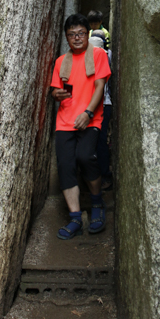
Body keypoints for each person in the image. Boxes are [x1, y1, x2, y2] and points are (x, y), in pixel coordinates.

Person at [51, 13, 111, 240]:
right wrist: (56, 93)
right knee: (66, 166)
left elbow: (99, 86)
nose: (76, 38)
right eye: (71, 34)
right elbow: (55, 90)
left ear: (87, 34)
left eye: (81, 33)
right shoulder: (60, 61)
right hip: (65, 121)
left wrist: (88, 113)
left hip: (90, 119)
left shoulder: (98, 55)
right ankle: (75, 217)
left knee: (86, 157)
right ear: (67, 37)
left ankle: (97, 203)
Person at [89, 30, 113, 191]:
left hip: (101, 106)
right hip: (102, 105)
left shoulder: (101, 61)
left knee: (99, 143)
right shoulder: (106, 57)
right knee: (97, 143)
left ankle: (104, 176)